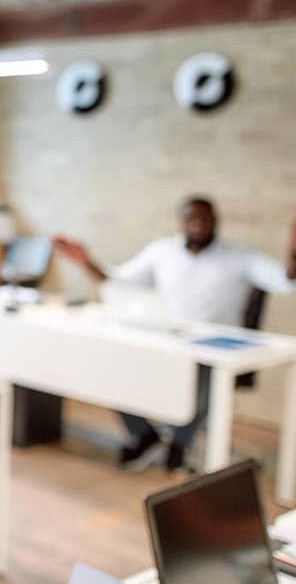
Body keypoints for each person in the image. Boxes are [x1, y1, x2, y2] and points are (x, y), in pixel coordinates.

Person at [53, 197, 296, 472]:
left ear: (216, 220)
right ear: (181, 221)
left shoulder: (241, 256)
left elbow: (285, 280)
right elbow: (116, 279)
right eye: (192, 217)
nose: (199, 222)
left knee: (204, 385)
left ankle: (180, 445)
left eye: (206, 217)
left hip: (212, 349)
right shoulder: (163, 251)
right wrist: (86, 262)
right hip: (166, 339)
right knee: (112, 368)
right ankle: (145, 436)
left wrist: (294, 250)